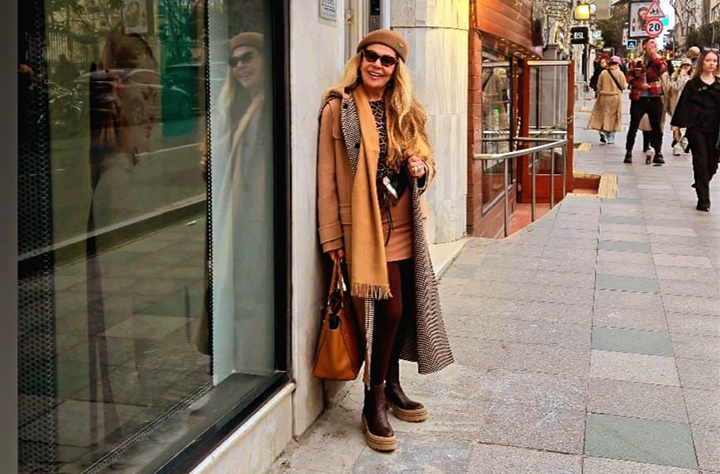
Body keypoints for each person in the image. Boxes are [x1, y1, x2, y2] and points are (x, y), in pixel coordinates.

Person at [316, 29, 453, 452]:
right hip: (364, 228)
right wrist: (330, 235)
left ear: (397, 69)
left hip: (404, 222)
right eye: (370, 56)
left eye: (386, 60)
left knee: (404, 307)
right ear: (359, 60)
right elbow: (326, 178)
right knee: (388, 310)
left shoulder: (406, 109)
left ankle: (393, 385)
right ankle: (372, 400)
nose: (377, 65)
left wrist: (420, 167)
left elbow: (427, 158)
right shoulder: (338, 108)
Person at [671, 49, 720, 212]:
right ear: (701, 62)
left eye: (714, 61)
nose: (711, 63)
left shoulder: (719, 84)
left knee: (712, 164)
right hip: (697, 128)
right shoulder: (692, 84)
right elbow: (683, 106)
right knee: (700, 161)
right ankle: (703, 200)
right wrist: (677, 127)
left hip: (715, 130)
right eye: (708, 60)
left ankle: (701, 182)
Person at [624, 38, 668, 164]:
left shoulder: (660, 59)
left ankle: (658, 152)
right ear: (644, 46)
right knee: (633, 125)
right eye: (650, 43)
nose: (653, 45)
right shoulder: (637, 61)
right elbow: (629, 77)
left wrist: (653, 55)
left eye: (655, 43)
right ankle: (628, 152)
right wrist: (639, 85)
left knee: (656, 126)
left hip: (654, 96)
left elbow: (662, 69)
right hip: (639, 98)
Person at [588, 55, 627, 144]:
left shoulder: (604, 73)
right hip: (615, 97)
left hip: (603, 97)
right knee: (614, 116)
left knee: (603, 114)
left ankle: (602, 131)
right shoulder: (620, 73)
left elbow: (598, 86)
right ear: (618, 64)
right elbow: (624, 86)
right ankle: (611, 137)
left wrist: (600, 91)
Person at [668, 58, 693, 156]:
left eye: (688, 65)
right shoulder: (675, 76)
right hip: (676, 103)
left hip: (688, 105)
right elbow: (676, 87)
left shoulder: (693, 77)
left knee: (685, 125)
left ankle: (683, 140)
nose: (686, 67)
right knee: (676, 126)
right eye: (684, 65)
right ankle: (676, 145)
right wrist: (681, 76)